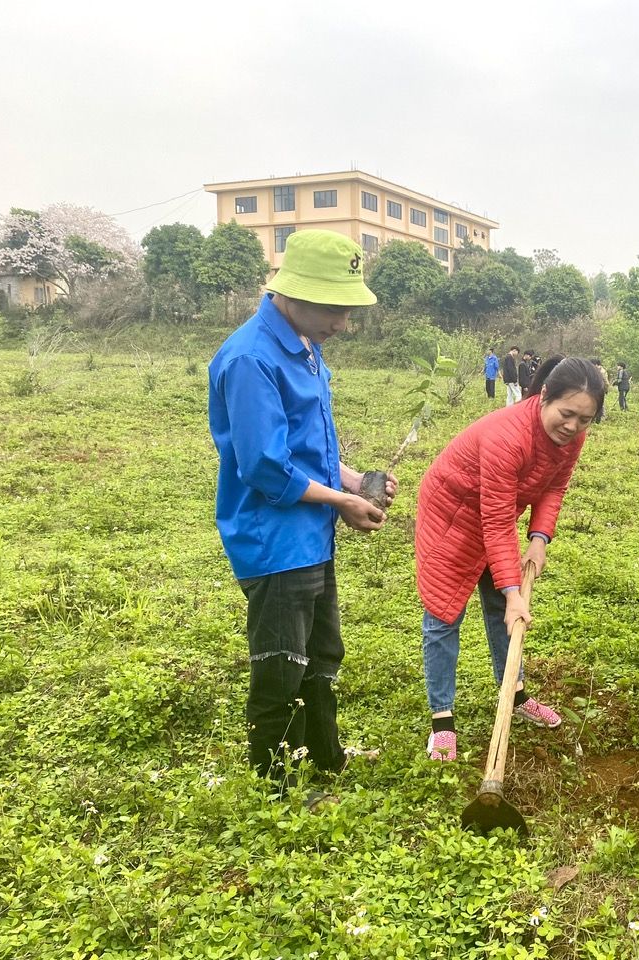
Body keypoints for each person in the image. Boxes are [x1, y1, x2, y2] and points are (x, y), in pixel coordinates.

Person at [208, 230, 395, 797]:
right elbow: (266, 466)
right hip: (274, 538)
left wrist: (355, 481)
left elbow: (312, 451)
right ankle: (274, 781)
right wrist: (340, 500)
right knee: (280, 661)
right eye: (336, 308)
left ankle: (325, 757)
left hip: (310, 533)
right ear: (294, 293)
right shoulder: (250, 358)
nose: (343, 322)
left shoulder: (306, 349)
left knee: (321, 650)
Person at [415, 356, 608, 761]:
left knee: (503, 607)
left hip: (492, 514)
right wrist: (514, 590)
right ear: (543, 397)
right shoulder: (506, 436)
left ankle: (515, 697)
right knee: (443, 615)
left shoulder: (572, 436)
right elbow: (498, 521)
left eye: (585, 420)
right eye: (567, 413)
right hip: (452, 512)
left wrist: (540, 538)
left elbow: (556, 485)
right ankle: (442, 722)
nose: (573, 426)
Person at [591, 359, 608, 423]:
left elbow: (606, 382)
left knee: (601, 404)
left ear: (598, 365)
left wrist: (606, 390)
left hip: (601, 389)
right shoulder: (594, 371)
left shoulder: (603, 372)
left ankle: (603, 416)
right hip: (594, 389)